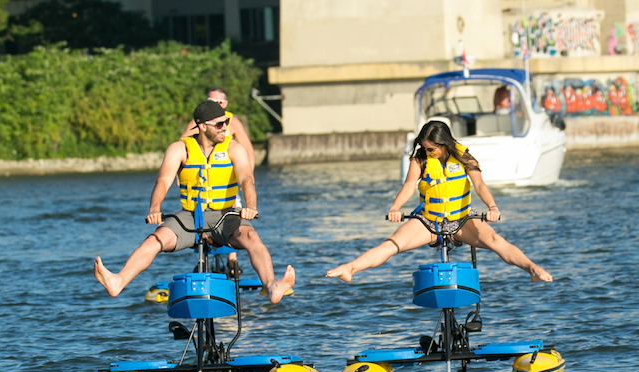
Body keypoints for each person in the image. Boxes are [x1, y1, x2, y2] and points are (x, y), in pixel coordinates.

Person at [94, 100, 294, 304]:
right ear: (202, 126)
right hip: (191, 216)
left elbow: (247, 180)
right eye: (219, 124)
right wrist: (154, 208)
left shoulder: (234, 148)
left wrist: (251, 207)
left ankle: (271, 286)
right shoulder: (179, 149)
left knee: (252, 237)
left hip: (226, 216)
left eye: (225, 122)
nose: (225, 127)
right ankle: (118, 281)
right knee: (154, 240)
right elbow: (163, 180)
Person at [326, 120, 553, 284]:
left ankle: (531, 268)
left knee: (495, 240)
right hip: (429, 221)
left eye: (431, 148)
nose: (427, 152)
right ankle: (350, 268)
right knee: (392, 244)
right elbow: (408, 187)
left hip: (461, 219)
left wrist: (492, 207)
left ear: (444, 144)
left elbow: (480, 186)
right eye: (425, 148)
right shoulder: (420, 161)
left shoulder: (465, 158)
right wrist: (395, 208)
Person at [181, 87, 255, 274]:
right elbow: (184, 149)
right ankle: (202, 258)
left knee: (234, 218)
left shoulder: (233, 122)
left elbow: (248, 149)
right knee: (196, 217)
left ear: (226, 104)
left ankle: (232, 261)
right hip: (201, 186)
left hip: (227, 181)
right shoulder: (198, 122)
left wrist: (247, 176)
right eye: (212, 101)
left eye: (220, 102)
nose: (217, 105)